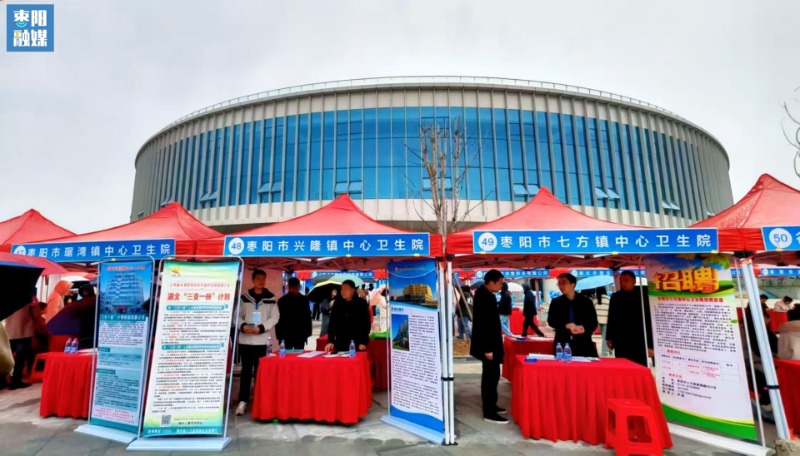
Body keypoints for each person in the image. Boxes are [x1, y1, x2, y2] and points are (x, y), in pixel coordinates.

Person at [236, 269, 279, 416]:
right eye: (258, 278)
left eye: (263, 279)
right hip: (245, 340)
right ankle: (243, 401)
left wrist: (261, 328)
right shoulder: (244, 298)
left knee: (261, 372)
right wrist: (243, 326)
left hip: (261, 341)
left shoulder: (271, 298)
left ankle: (261, 401)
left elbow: (275, 317)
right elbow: (236, 316)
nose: (261, 281)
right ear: (253, 280)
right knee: (246, 372)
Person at [470, 269, 507, 424]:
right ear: (491, 282)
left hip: (491, 344)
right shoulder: (484, 296)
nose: (501, 286)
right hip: (488, 346)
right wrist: (488, 349)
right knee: (489, 378)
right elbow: (483, 325)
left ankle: (492, 404)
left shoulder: (486, 294)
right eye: (500, 283)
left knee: (494, 376)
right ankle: (489, 411)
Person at [605, 271, 653, 366]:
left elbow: (648, 320)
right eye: (621, 280)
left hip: (639, 339)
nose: (623, 283)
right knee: (623, 366)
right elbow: (611, 318)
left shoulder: (643, 296)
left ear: (634, 281)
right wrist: (609, 337)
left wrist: (650, 344)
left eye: (626, 280)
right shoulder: (615, 297)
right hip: (621, 339)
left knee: (639, 366)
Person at [548, 273, 598, 358]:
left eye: (564, 282)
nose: (561, 286)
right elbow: (551, 321)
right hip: (563, 342)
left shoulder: (586, 301)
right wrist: (566, 325)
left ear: (572, 285)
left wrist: (584, 328)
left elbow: (593, 322)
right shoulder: (556, 302)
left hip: (583, 342)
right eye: (559, 283)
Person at [2, 292, 40, 390]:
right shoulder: (29, 297)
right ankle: (16, 380)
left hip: (9, 331)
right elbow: (36, 314)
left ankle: (3, 380)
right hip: (24, 331)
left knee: (7, 358)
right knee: (20, 358)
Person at [325, 280, 371, 353]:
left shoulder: (361, 303)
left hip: (357, 342)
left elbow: (366, 324)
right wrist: (330, 341)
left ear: (353, 290)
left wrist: (364, 342)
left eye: (346, 289)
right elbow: (332, 323)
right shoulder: (337, 303)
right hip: (340, 342)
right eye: (342, 289)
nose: (343, 291)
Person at [276, 278, 312, 350]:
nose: (295, 290)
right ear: (289, 287)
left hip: (295, 334)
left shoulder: (282, 301)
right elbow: (278, 319)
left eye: (296, 288)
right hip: (291, 334)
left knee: (294, 354)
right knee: (291, 354)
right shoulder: (282, 301)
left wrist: (307, 334)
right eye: (294, 288)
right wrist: (279, 336)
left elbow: (307, 318)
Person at [595, 288, 611, 357]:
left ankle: (608, 349)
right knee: (605, 337)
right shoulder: (608, 299)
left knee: (604, 336)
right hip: (606, 321)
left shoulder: (595, 300)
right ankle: (605, 352)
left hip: (598, 321)